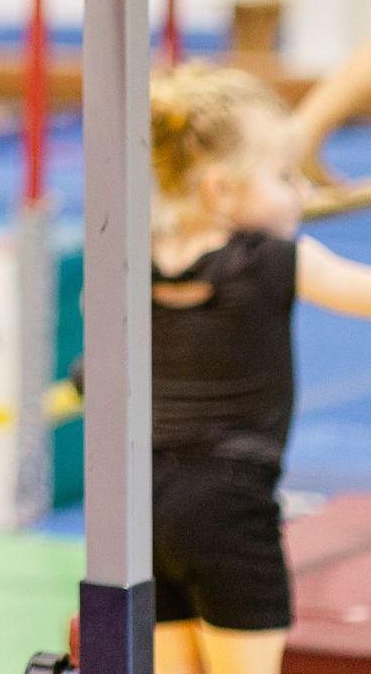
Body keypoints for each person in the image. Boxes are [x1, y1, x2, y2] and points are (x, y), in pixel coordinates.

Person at [148, 63, 371, 674]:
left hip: (138, 505)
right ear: (219, 190)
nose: (302, 193)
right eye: (283, 177)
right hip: (229, 514)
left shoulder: (131, 258)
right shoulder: (278, 260)